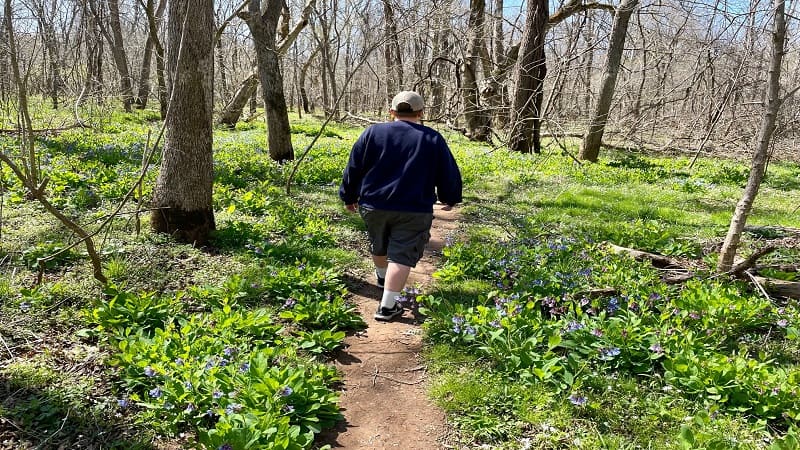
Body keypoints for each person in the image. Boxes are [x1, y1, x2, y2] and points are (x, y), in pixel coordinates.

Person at [340, 91, 462, 321]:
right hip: (413, 207)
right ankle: (387, 307)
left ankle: (381, 277)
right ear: (421, 113)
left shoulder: (372, 133)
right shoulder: (432, 138)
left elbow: (354, 167)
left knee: (379, 243)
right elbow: (447, 172)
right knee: (401, 254)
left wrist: (349, 196)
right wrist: (450, 197)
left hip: (374, 204)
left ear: (392, 112)